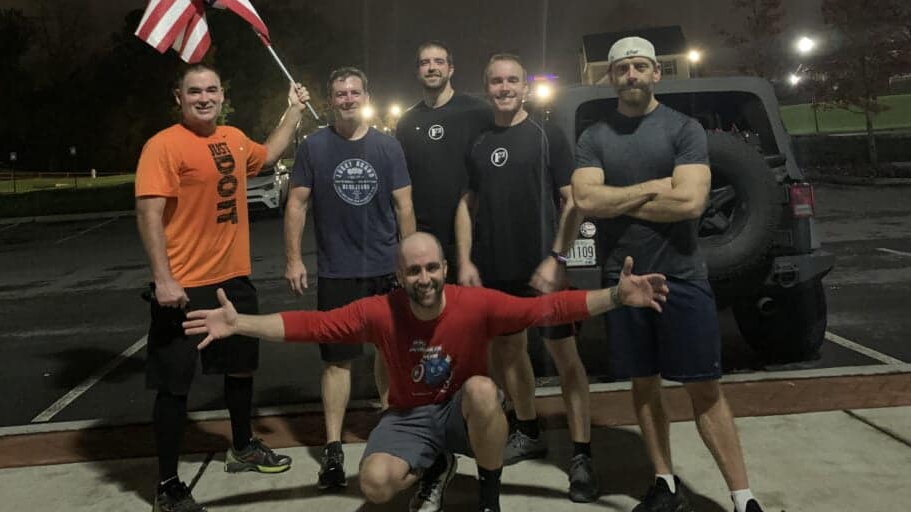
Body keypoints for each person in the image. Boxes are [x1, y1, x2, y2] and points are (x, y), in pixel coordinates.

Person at [184, 232, 670, 512]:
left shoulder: (475, 304)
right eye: (414, 271)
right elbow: (310, 325)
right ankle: (434, 465)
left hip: (462, 410)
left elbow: (547, 308)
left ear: (445, 269)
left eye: (432, 268)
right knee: (375, 485)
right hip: (410, 416)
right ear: (400, 276)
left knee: (483, 389)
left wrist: (616, 296)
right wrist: (240, 323)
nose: (424, 278)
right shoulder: (380, 311)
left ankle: (489, 498)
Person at [569, 36, 764, 512]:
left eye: (640, 66)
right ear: (610, 77)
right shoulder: (594, 137)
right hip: (624, 280)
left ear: (656, 72)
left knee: (705, 387)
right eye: (622, 69)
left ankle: (743, 497)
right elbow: (587, 200)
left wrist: (620, 198)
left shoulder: (684, 129)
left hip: (682, 274)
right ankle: (664, 484)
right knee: (643, 383)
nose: (631, 75)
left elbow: (691, 202)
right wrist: (656, 188)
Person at [136, 63, 310, 512]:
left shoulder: (232, 138)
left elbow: (267, 155)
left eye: (211, 90)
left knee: (241, 369)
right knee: (175, 385)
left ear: (221, 95)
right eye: (194, 91)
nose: (204, 98)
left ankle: (242, 446)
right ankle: (168, 484)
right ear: (179, 97)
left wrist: (293, 110)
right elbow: (149, 214)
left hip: (233, 279)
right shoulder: (163, 145)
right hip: (184, 286)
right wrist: (163, 278)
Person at [454, 53, 599, 502]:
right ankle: (529, 430)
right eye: (496, 81)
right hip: (497, 269)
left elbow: (573, 202)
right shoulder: (478, 141)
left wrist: (557, 257)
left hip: (544, 270)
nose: (504, 88)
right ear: (487, 87)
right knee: (510, 354)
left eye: (512, 80)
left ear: (525, 87)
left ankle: (581, 455)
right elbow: (467, 204)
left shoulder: (546, 134)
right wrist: (465, 261)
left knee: (566, 358)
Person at [284, 66, 416, 490]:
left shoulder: (387, 146)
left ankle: (389, 429)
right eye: (340, 93)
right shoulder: (314, 147)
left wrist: (411, 262)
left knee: (388, 354)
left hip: (384, 268)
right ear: (330, 100)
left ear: (365, 97)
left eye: (354, 92)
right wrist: (294, 259)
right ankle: (333, 447)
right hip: (337, 271)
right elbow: (296, 205)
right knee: (337, 361)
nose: (347, 99)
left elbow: (404, 207)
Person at [395, 41, 491, 280]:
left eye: (439, 62)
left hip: (475, 235)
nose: (432, 67)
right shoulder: (406, 122)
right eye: (425, 63)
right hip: (427, 239)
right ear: (417, 71)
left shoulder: (479, 112)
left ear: (451, 69)